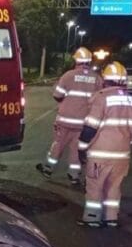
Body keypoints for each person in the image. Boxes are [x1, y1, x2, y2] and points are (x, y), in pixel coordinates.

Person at [76, 62, 132, 227]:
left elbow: (90, 127)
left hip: (100, 153)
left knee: (95, 186)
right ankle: (111, 218)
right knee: (114, 186)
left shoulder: (101, 98)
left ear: (106, 79)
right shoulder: (130, 100)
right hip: (122, 154)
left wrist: (82, 148)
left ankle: (92, 217)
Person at [37, 47, 102, 186]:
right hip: (84, 123)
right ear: (89, 61)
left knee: (58, 144)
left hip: (65, 120)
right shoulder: (96, 79)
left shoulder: (68, 75)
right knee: (76, 149)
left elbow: (57, 95)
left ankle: (48, 169)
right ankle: (74, 176)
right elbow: (99, 101)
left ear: (77, 60)